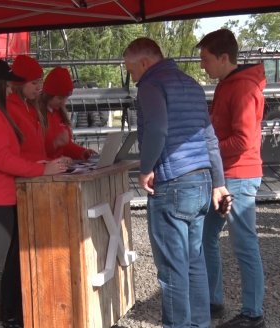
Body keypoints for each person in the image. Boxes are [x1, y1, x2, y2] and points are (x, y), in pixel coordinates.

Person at [123, 37, 230, 328]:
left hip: (171, 182)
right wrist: (218, 182)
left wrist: (146, 168)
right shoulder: (191, 85)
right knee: (194, 261)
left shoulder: (150, 84)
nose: (131, 77)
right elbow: (209, 137)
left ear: (144, 63)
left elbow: (157, 127)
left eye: (131, 70)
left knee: (172, 270)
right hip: (201, 181)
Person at [0, 57, 66, 328]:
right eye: (8, 84)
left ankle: (1, 319)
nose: (12, 88)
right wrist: (41, 170)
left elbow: (6, 156)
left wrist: (35, 165)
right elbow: (3, 159)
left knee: (0, 266)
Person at [196, 29, 266, 328]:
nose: (202, 65)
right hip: (225, 175)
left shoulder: (241, 88)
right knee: (205, 237)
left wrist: (205, 150)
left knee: (244, 244)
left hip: (238, 175)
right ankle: (213, 300)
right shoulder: (229, 84)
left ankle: (253, 314)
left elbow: (243, 141)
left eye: (206, 59)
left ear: (224, 57)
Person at [38, 66, 95, 160]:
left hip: (57, 167)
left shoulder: (59, 113)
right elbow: (32, 151)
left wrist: (82, 152)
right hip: (45, 168)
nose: (63, 102)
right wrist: (55, 144)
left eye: (66, 98)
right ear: (48, 95)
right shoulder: (35, 113)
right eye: (60, 98)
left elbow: (65, 146)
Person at [7, 55, 48, 161]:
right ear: (20, 84)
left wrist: (51, 161)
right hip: (24, 174)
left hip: (32, 172)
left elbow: (35, 151)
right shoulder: (10, 109)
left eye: (40, 82)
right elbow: (10, 153)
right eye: (34, 83)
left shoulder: (30, 107)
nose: (39, 87)